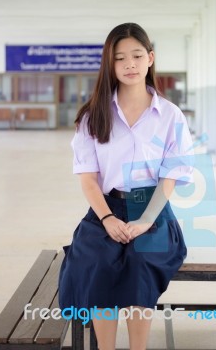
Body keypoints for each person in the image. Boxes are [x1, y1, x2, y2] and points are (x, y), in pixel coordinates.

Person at [58, 22, 194, 350]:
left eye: (136, 55)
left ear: (150, 58)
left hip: (154, 208)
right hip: (106, 207)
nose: (129, 64)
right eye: (120, 58)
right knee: (97, 261)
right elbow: (88, 178)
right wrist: (107, 219)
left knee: (140, 263)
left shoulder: (170, 115)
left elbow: (171, 175)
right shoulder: (94, 115)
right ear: (110, 64)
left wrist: (147, 220)